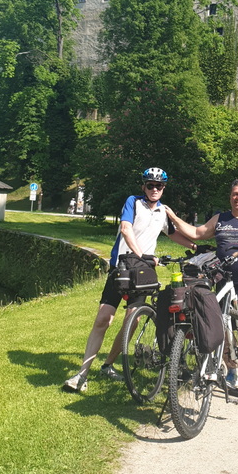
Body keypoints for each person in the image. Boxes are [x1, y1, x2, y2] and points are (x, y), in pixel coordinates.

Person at [63, 167, 194, 393]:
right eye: (150, 185)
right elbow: (126, 228)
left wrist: (195, 246)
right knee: (104, 319)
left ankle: (108, 365)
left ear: (164, 188)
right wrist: (140, 254)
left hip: (143, 273)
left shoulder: (162, 211)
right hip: (122, 268)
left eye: (159, 186)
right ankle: (82, 375)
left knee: (132, 320)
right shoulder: (133, 202)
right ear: (143, 186)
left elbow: (172, 234)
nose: (154, 189)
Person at [164, 178, 238, 389]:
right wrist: (173, 217)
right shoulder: (221, 219)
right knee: (224, 328)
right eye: (235, 194)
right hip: (222, 282)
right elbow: (197, 234)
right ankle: (231, 371)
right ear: (230, 197)